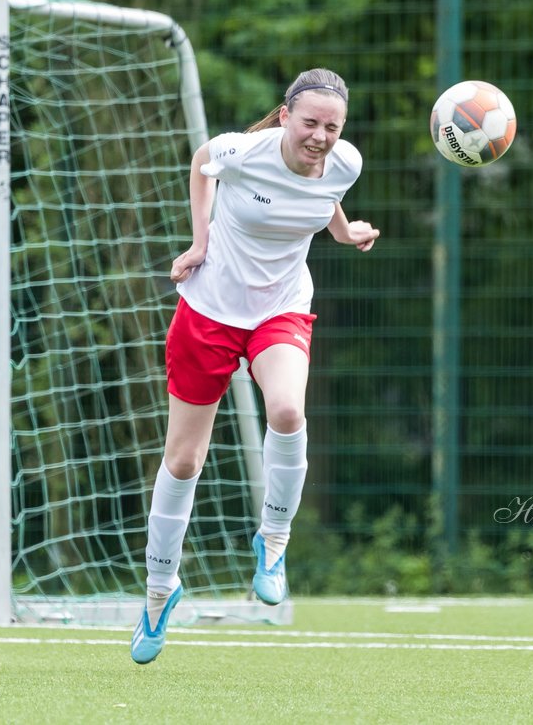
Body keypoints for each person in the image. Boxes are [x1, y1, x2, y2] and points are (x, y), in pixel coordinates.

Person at [130, 68, 380, 665]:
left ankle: (273, 541)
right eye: (310, 123)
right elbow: (201, 162)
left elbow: (327, 198)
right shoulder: (244, 151)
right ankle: (159, 592)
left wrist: (345, 235)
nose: (320, 136)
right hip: (210, 311)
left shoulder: (346, 162)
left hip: (280, 308)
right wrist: (199, 241)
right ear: (287, 115)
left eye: (331, 126)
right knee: (184, 459)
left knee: (289, 408)